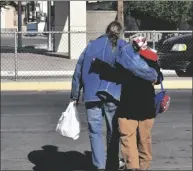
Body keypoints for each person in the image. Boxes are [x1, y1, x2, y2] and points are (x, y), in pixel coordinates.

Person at [70, 21, 158, 171]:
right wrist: (153, 75)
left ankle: (99, 165)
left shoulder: (91, 45)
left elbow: (78, 69)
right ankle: (112, 164)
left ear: (106, 30)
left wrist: (75, 94)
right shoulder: (124, 47)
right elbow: (136, 66)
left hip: (91, 94)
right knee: (113, 131)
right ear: (120, 32)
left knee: (95, 131)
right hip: (113, 93)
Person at [117, 36, 163, 170]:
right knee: (145, 139)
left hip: (127, 106)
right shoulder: (152, 59)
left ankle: (132, 167)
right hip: (147, 106)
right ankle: (145, 166)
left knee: (128, 138)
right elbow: (158, 79)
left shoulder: (124, 61)